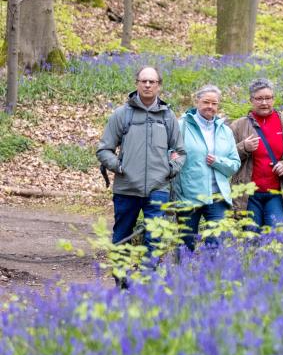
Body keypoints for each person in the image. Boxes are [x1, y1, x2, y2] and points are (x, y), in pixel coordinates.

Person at [96, 65, 186, 261]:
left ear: (158, 86)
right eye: (143, 81)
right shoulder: (122, 114)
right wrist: (119, 167)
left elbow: (180, 151)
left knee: (154, 239)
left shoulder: (167, 116)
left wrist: (170, 169)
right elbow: (103, 149)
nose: (147, 85)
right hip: (126, 188)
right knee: (121, 237)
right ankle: (122, 283)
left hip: (158, 188)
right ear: (136, 84)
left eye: (151, 82)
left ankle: (147, 284)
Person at [173, 84, 241, 252]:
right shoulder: (181, 126)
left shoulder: (225, 131)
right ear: (197, 101)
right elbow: (170, 154)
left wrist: (217, 161)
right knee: (186, 244)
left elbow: (235, 164)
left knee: (216, 244)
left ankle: (211, 276)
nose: (210, 106)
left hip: (217, 196)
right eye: (206, 102)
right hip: (189, 194)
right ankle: (184, 277)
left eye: (214, 103)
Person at [229, 78, 283, 229]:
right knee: (251, 238)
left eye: (268, 98)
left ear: (274, 99)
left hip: (277, 192)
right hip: (248, 195)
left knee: (277, 236)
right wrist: (244, 147)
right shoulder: (238, 125)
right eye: (259, 99)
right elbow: (226, 156)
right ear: (251, 100)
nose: (264, 103)